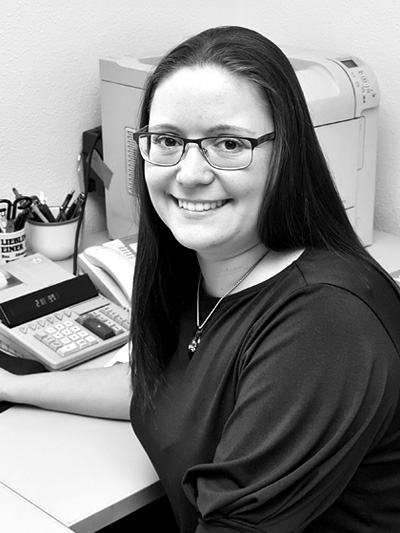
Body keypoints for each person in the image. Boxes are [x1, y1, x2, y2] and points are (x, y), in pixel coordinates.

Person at [1, 25, 400, 532]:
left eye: (229, 143)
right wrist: (14, 385)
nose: (189, 174)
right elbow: (160, 385)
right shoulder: (200, 267)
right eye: (168, 140)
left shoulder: (323, 324)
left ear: (287, 154)